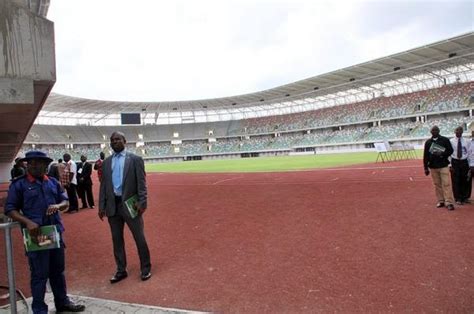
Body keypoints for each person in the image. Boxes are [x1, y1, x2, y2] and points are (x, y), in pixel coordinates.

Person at [4, 150, 85, 314]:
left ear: (45, 165)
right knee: (39, 274)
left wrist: (58, 206)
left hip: (54, 233)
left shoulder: (53, 183)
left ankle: (62, 303)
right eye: (31, 162)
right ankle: (39, 309)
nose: (33, 165)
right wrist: (27, 222)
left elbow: (65, 201)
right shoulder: (19, 184)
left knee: (57, 271)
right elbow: (10, 209)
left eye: (38, 162)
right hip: (37, 235)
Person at [99, 132, 151, 283]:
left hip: (130, 204)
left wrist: (143, 203)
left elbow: (142, 183)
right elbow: (104, 185)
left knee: (139, 237)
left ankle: (145, 267)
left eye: (117, 139)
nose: (114, 142)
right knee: (117, 239)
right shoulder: (107, 162)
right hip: (112, 206)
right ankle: (121, 270)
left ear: (124, 141)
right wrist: (101, 206)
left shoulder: (135, 159)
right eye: (112, 140)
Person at [423, 125, 455, 210]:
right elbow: (425, 155)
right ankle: (441, 201)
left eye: (436, 130)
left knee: (446, 184)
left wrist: (442, 153)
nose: (434, 132)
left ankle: (449, 202)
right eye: (433, 131)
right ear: (431, 132)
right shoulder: (428, 142)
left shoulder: (445, 140)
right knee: (437, 185)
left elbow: (450, 151)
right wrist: (425, 168)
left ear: (439, 131)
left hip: (443, 165)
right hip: (433, 166)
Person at [449, 126, 471, 205]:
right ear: (454, 131)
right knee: (455, 180)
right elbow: (449, 153)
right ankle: (457, 198)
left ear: (462, 132)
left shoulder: (467, 141)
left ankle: (465, 197)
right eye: (457, 130)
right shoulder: (451, 141)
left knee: (465, 180)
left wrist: (470, 164)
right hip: (455, 162)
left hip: (464, 162)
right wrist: (450, 165)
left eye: (460, 130)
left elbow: (469, 152)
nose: (459, 132)